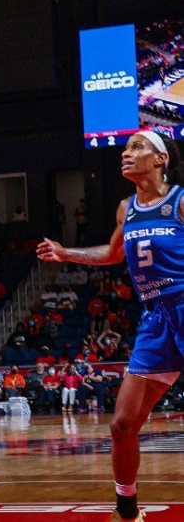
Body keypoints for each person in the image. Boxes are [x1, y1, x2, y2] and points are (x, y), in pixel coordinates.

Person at [36, 128, 184, 522]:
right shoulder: (126, 209)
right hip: (155, 317)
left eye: (138, 146)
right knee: (122, 424)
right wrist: (66, 253)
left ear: (160, 159)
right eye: (126, 147)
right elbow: (112, 253)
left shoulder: (180, 202)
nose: (126, 152)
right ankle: (127, 510)